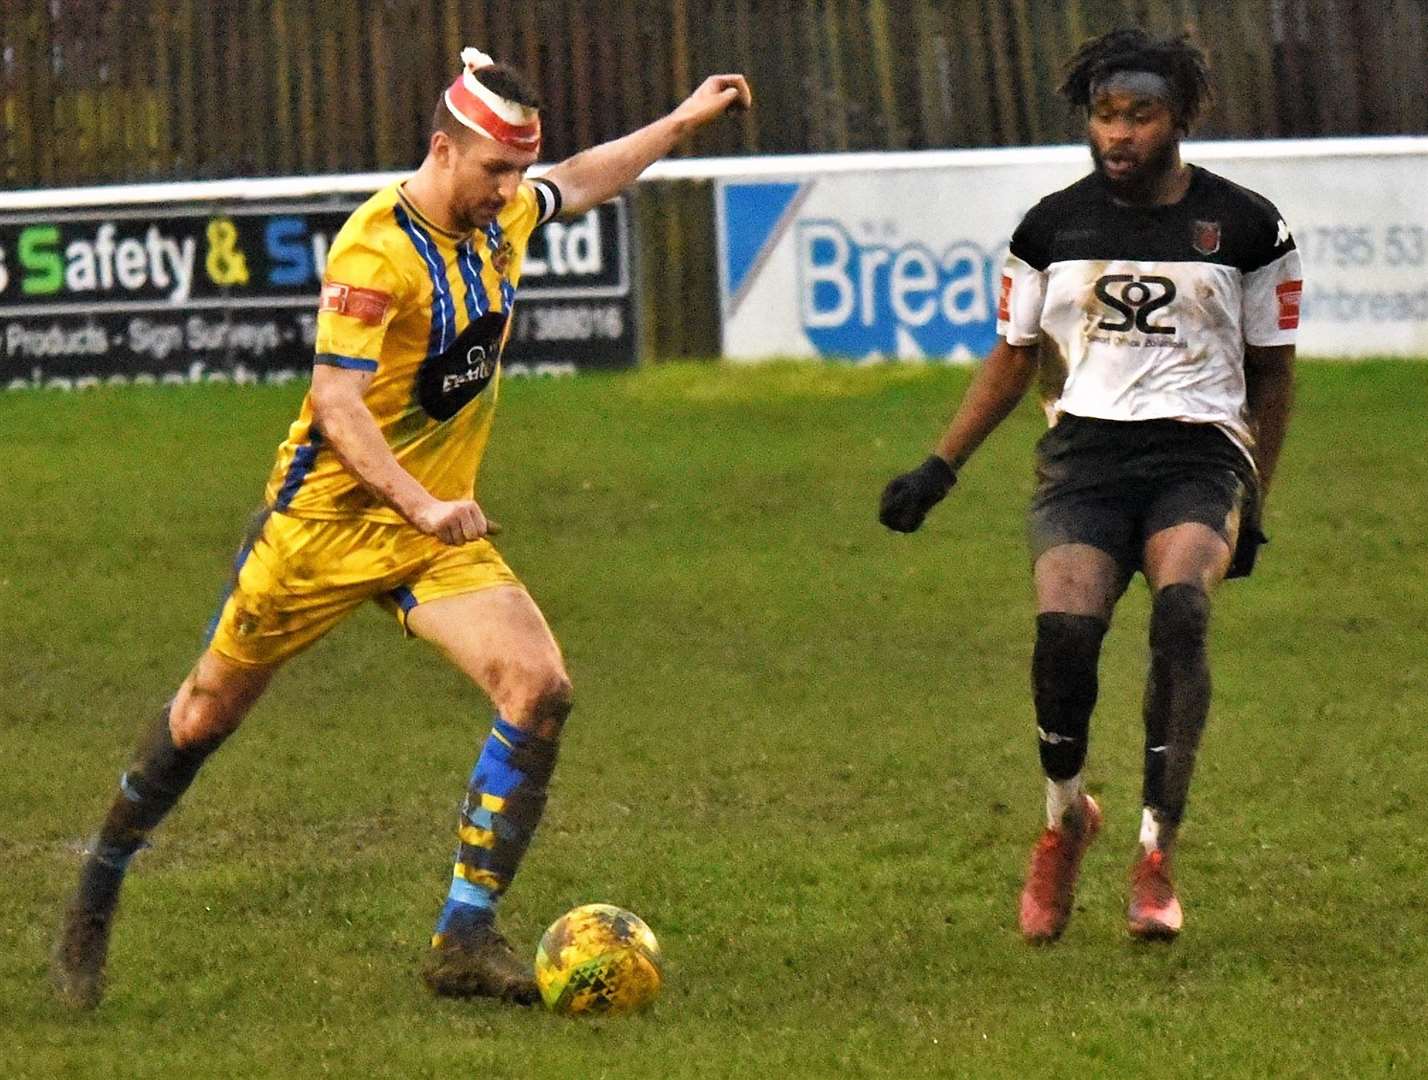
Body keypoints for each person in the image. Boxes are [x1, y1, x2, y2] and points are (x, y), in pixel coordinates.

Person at [54, 46, 753, 1009]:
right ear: (442, 148)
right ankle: (103, 873)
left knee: (539, 686)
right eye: (494, 171)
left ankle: (464, 936)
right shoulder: (372, 249)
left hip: (432, 531)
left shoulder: (502, 212)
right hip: (323, 528)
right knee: (203, 715)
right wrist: (419, 500)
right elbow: (336, 404)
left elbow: (578, 181)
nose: (510, 192)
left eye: (517, 173)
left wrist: (679, 122)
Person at [879, 28, 1298, 943]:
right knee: (1066, 637)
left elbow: (1273, 372)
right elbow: (1011, 356)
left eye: (1138, 116)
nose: (1118, 134)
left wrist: (1255, 496)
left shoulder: (1250, 226)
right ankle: (1065, 818)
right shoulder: (1049, 227)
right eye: (1104, 117)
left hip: (1199, 458)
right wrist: (939, 467)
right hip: (1084, 464)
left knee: (1182, 613)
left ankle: (1156, 856)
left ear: (1178, 119)